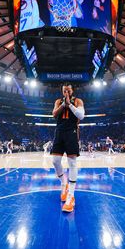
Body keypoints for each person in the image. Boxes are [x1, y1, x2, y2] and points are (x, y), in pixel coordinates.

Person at [51, 83, 85, 212]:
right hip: (59, 132)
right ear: (62, 91)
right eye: (64, 90)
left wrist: (69, 104)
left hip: (71, 132)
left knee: (72, 163)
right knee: (55, 161)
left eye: (68, 90)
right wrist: (63, 105)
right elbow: (54, 114)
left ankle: (71, 196)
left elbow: (81, 116)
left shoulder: (78, 101)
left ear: (72, 90)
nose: (66, 92)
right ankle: (63, 183)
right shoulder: (58, 101)